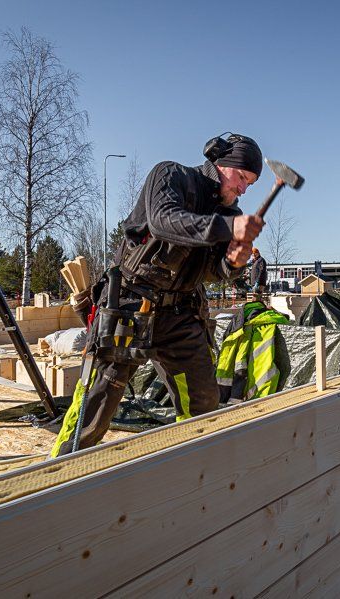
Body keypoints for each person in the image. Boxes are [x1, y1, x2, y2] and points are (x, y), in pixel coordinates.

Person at [51, 134, 264, 456]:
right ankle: (59, 467)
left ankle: (195, 470)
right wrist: (228, 229)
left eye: (251, 184)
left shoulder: (231, 212)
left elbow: (211, 270)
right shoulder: (171, 175)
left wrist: (232, 262)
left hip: (183, 313)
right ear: (222, 165)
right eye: (242, 178)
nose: (244, 189)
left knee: (203, 401)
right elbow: (165, 222)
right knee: (100, 396)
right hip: (131, 306)